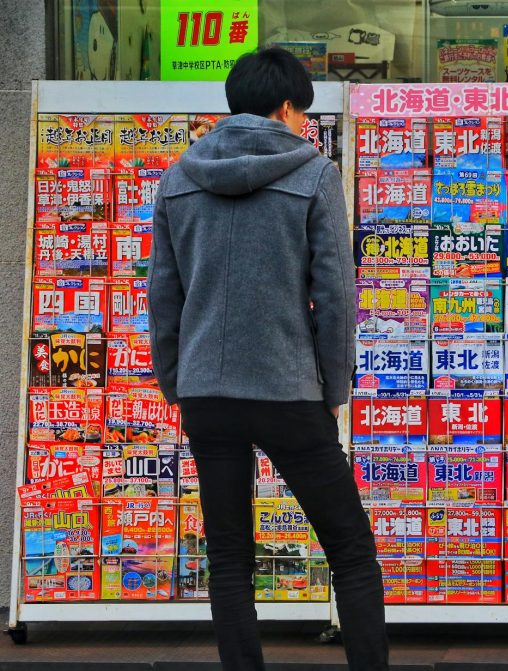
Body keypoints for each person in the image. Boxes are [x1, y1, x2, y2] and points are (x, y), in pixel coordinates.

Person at [148, 47, 388, 671]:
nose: (306, 124)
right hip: (287, 390)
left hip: (206, 393)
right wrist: (334, 386)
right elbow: (335, 293)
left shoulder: (177, 179)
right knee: (351, 550)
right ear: (286, 108)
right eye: (304, 112)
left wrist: (179, 384)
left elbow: (163, 296)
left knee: (228, 557)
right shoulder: (313, 174)